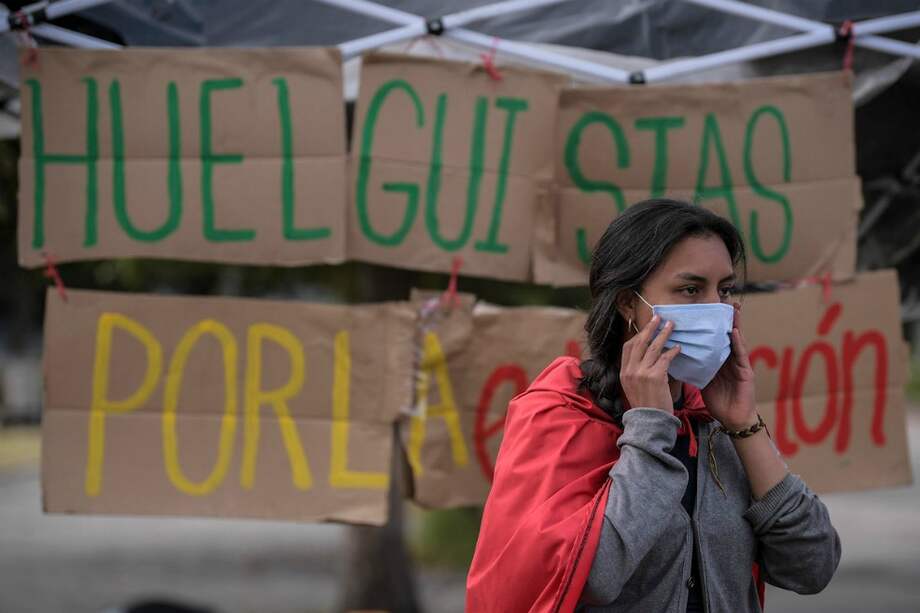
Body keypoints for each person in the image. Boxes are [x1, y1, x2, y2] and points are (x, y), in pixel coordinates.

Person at [465, 199, 841, 613]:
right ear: (629, 303)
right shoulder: (562, 415)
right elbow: (592, 578)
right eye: (691, 289)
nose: (717, 309)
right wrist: (650, 428)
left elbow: (812, 567)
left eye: (726, 290)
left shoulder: (714, 424)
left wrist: (744, 423)